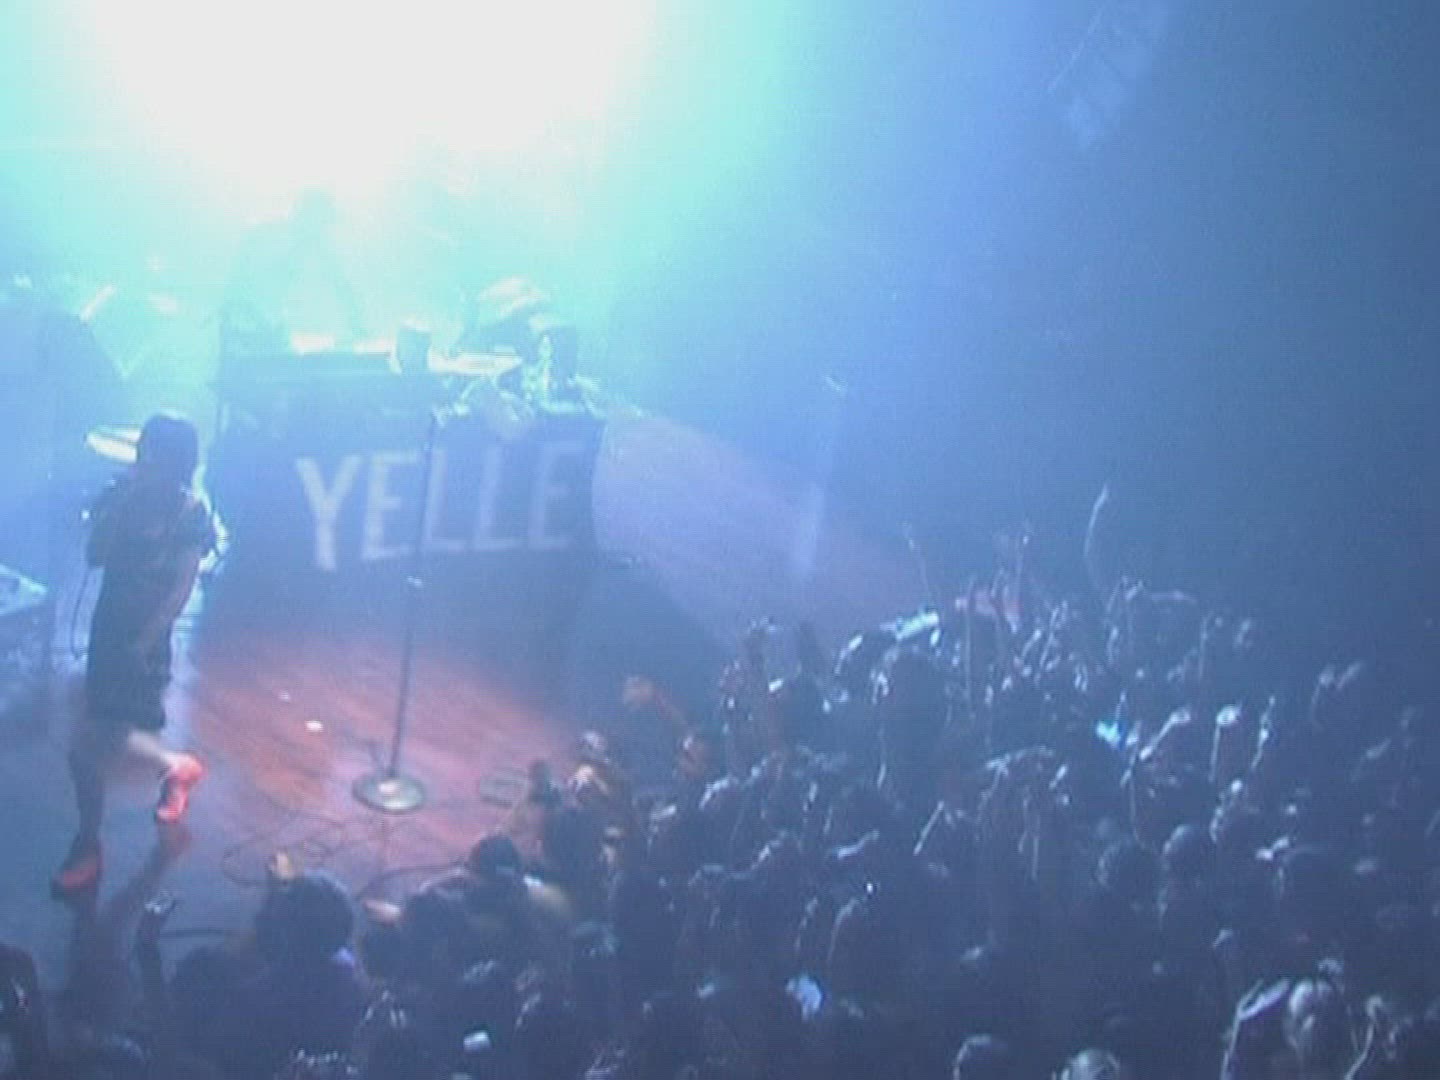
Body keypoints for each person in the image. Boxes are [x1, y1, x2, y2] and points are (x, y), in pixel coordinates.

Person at [53, 412, 217, 894]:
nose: (144, 461)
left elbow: (181, 588)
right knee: (113, 732)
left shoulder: (189, 514)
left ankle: (87, 845)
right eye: (143, 451)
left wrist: (144, 644)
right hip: (108, 631)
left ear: (178, 462)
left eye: (155, 455)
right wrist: (121, 505)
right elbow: (96, 555)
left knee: (90, 741)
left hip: (143, 641)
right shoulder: (123, 497)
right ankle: (176, 766)